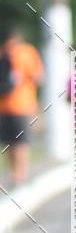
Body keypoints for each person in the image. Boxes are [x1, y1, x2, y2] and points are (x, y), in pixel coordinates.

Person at [0, 27, 43, 186]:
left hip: (4, 106)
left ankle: (13, 175)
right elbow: (38, 77)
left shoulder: (3, 52)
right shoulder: (27, 52)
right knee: (21, 143)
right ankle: (20, 176)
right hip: (23, 105)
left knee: (9, 143)